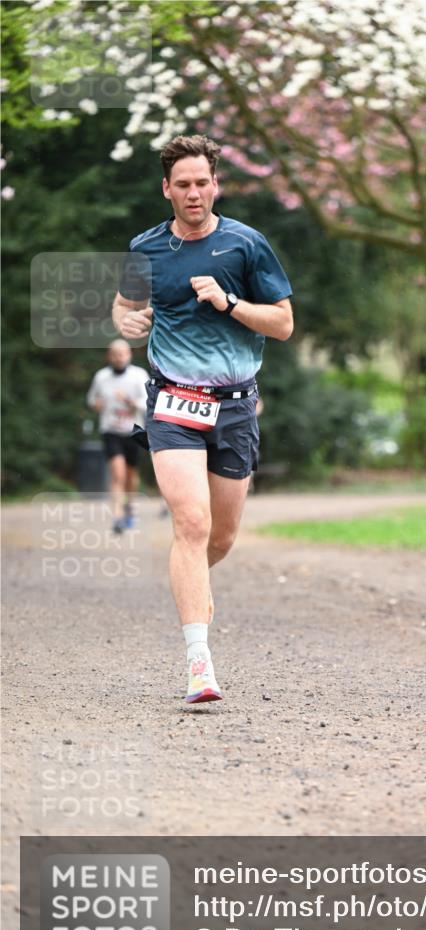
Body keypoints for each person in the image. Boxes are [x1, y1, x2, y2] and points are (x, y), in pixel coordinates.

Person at [111, 135, 293, 704]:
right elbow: (124, 305)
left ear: (216, 185)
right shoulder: (146, 247)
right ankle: (199, 663)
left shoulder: (246, 245)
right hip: (173, 403)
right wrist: (128, 322)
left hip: (235, 405)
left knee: (220, 535)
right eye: (182, 185)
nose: (193, 193)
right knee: (190, 524)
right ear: (166, 189)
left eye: (202, 183)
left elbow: (283, 324)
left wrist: (231, 303)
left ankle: (192, 581)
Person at [86, 339, 148, 533]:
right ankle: (118, 517)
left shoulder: (139, 375)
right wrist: (96, 405)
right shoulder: (101, 377)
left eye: (122, 353)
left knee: (131, 477)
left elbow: (149, 402)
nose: (118, 357)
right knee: (117, 474)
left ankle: (130, 509)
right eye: (114, 354)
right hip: (110, 430)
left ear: (129, 355)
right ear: (109, 356)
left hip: (134, 431)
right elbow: (91, 399)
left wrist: (130, 401)